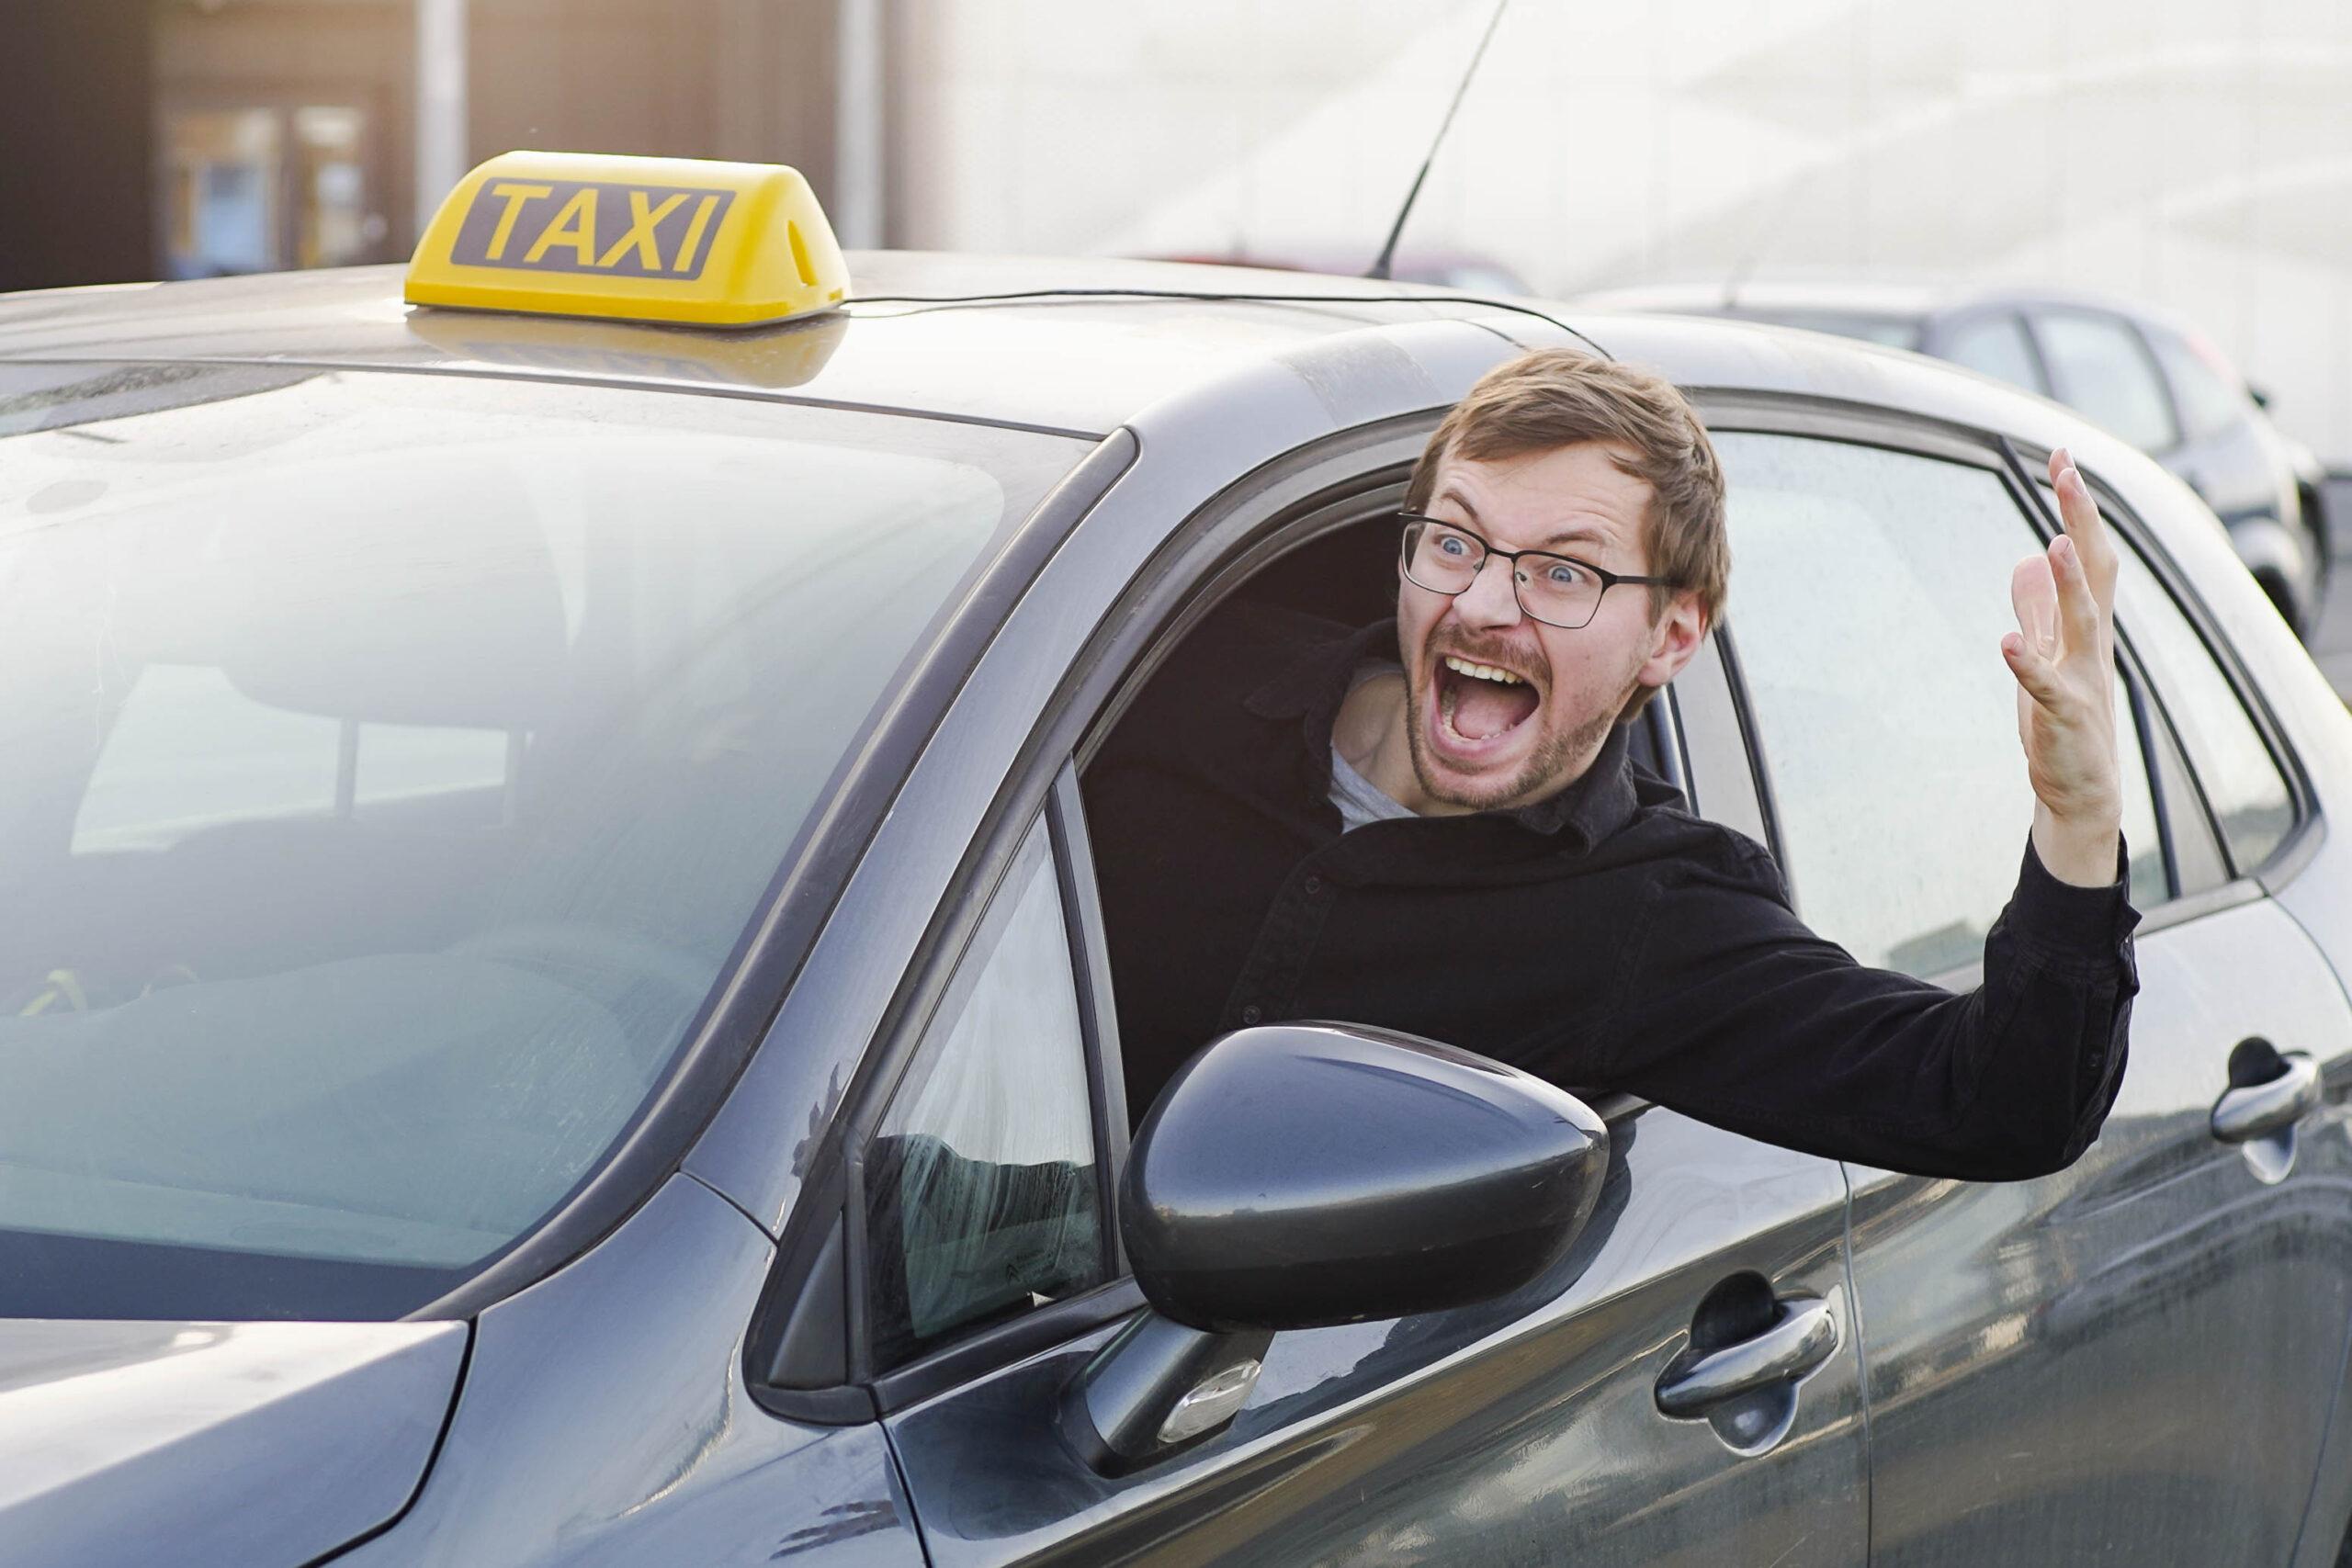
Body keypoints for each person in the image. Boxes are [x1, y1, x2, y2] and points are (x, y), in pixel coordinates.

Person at [1082, 348, 2136, 1180]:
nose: (1483, 604)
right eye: (1454, 543)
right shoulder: (1157, 686)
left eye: (1562, 572)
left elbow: (1999, 1105)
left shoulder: (1650, 916)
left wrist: (2076, 817)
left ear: (1671, 637)